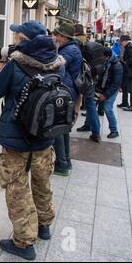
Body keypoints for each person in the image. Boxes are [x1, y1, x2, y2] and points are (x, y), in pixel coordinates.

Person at [0, 20, 65, 261]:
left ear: (25, 40)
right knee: (42, 181)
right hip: (44, 136)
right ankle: (44, 225)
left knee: (17, 187)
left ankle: (23, 242)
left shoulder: (15, 65)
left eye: (18, 36)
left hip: (16, 139)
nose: (15, 39)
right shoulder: (58, 64)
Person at [51, 23, 82, 176]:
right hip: (69, 91)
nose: (55, 38)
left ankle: (61, 164)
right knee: (63, 128)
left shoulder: (69, 50)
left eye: (57, 35)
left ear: (63, 37)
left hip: (65, 92)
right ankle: (66, 160)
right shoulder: (71, 48)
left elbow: (55, 65)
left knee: (57, 127)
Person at [78, 47, 123, 139]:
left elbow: (116, 83)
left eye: (102, 56)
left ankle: (114, 130)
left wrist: (106, 95)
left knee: (108, 108)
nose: (100, 57)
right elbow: (102, 78)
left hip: (111, 90)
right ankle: (87, 125)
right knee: (91, 105)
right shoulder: (106, 63)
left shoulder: (117, 65)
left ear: (107, 56)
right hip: (102, 88)